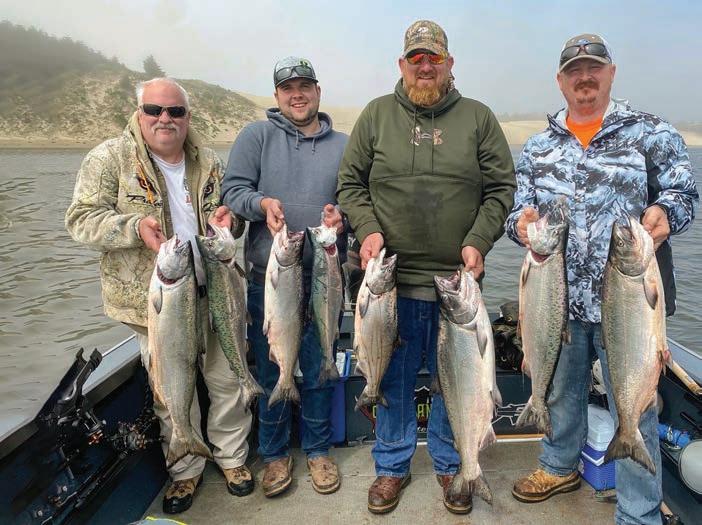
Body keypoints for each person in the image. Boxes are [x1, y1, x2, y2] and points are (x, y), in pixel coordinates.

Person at [504, 34, 698, 525]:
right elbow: (516, 210)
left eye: (594, 68)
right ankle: (558, 466)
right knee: (559, 394)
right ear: (560, 81)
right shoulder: (539, 147)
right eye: (574, 71)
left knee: (636, 407)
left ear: (611, 73)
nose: (584, 78)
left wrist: (665, 212)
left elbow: (685, 193)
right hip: (558, 303)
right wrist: (520, 225)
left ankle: (638, 511)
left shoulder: (651, 132)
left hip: (630, 305)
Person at [336, 20, 516, 515]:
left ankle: (451, 460)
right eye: (415, 58)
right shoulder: (376, 115)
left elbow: (502, 189)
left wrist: (478, 240)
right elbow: (350, 184)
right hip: (390, 285)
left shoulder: (478, 118)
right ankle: (392, 465)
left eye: (433, 58)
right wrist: (367, 229)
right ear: (402, 64)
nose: (424, 66)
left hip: (457, 288)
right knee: (392, 378)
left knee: (455, 381)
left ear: (449, 63)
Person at [65, 78, 254, 515]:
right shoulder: (109, 157)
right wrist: (133, 227)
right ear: (139, 113)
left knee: (226, 380)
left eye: (175, 111)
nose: (164, 118)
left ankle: (232, 459)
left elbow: (232, 221)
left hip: (214, 292)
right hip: (157, 302)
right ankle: (185, 467)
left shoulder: (208, 160)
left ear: (187, 117)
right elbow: (80, 220)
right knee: (171, 386)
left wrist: (232, 222)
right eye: (154, 110)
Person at [221, 57, 348, 498]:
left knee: (320, 365)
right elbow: (233, 191)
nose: (298, 94)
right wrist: (261, 205)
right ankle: (274, 455)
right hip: (269, 281)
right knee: (274, 363)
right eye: (288, 88)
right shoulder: (256, 136)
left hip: (324, 280)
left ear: (318, 91)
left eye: (305, 86)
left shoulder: (343, 145)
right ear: (277, 96)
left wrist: (342, 216)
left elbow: (355, 198)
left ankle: (318, 450)